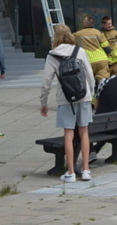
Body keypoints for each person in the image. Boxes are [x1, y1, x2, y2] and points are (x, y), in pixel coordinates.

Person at [40, 24, 96, 183]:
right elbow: (90, 75)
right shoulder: (80, 51)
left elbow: (46, 81)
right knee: (84, 132)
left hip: (65, 98)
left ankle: (70, 172)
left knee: (68, 134)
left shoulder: (52, 55)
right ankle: (86, 170)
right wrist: (90, 94)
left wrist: (43, 102)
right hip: (83, 96)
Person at [74, 16, 111, 82]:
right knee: (104, 83)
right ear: (93, 24)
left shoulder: (77, 34)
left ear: (85, 24)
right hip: (101, 61)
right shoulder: (99, 33)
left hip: (88, 61)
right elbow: (107, 49)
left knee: (89, 83)